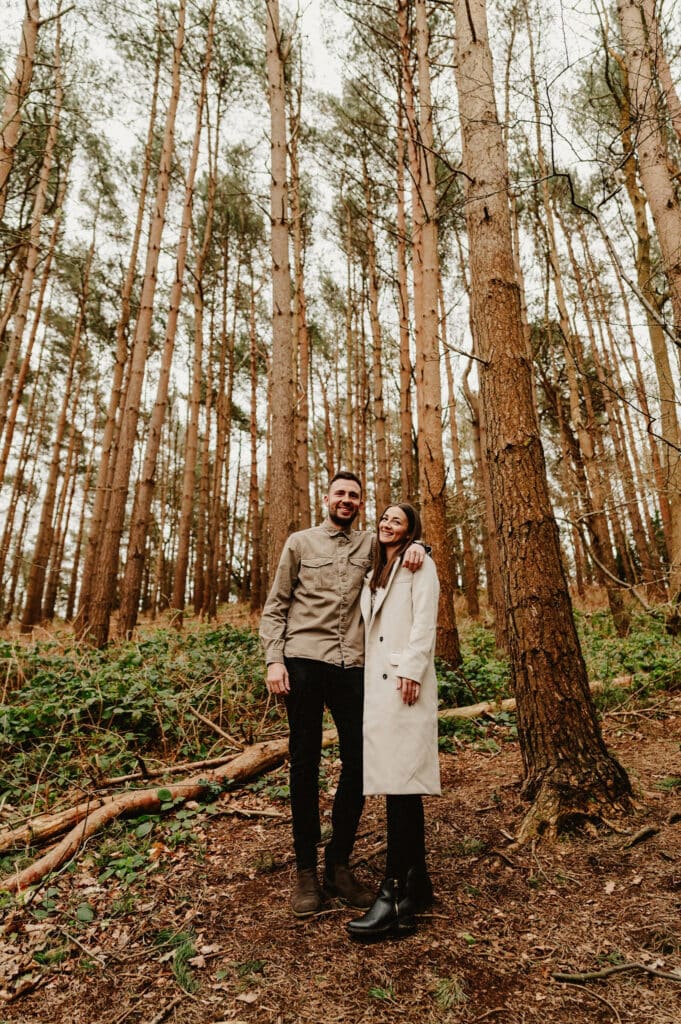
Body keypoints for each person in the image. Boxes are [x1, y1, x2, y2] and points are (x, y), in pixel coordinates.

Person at [259, 472, 426, 918]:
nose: (347, 500)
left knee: (359, 762)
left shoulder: (371, 544)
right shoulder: (299, 543)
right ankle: (307, 873)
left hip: (354, 668)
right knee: (305, 764)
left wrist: (419, 549)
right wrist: (275, 660)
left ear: (360, 502)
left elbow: (402, 545)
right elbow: (276, 605)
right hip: (304, 663)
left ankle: (339, 863)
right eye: (340, 494)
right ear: (327, 498)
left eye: (354, 495)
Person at [347, 502, 440, 941]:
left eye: (397, 521)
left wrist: (411, 669)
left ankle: (394, 895)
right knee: (398, 787)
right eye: (383, 518)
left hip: (405, 684)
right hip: (379, 690)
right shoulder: (375, 569)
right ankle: (416, 882)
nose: (386, 524)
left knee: (403, 786)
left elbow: (425, 622)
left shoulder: (421, 565)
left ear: (411, 531)